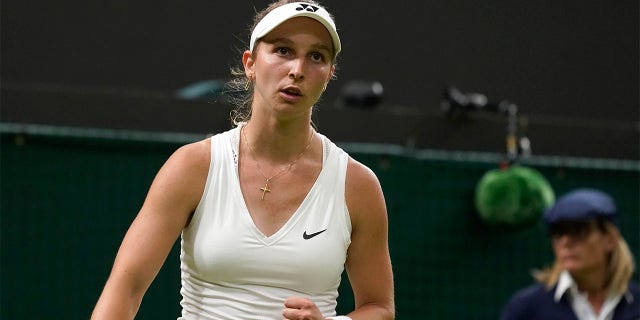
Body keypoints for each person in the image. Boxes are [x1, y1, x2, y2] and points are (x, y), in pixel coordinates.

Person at [90, 1, 395, 319]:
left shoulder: (357, 186)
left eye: (316, 56)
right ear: (250, 63)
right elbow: (126, 287)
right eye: (283, 50)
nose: (297, 70)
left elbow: (380, 308)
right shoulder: (193, 166)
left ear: (330, 74)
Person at [500, 188, 639, 320]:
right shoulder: (528, 308)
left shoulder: (636, 304)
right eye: (558, 232)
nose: (566, 242)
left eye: (579, 230)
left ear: (610, 239)